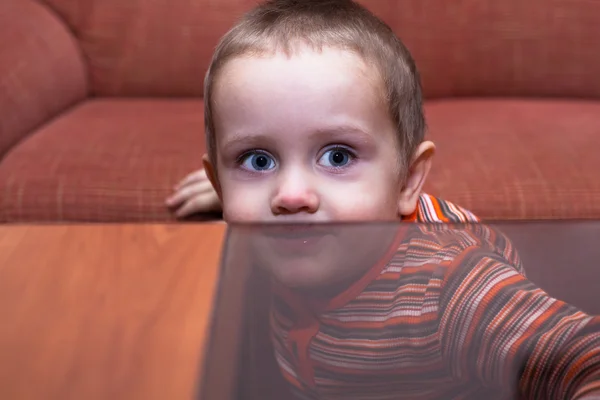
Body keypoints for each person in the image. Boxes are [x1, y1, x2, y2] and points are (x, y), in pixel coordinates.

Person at [166, 0, 600, 398]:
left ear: (408, 181)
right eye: (258, 161)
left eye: (337, 156)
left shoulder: (447, 288)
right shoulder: (283, 234)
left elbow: (585, 360)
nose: (290, 196)